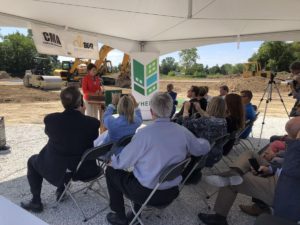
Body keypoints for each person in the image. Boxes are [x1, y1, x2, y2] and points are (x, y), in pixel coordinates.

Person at [105, 92, 210, 225]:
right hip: (172, 191)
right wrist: (202, 141)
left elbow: (122, 162)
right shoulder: (183, 132)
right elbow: (203, 148)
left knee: (111, 171)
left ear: (151, 111)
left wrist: (112, 162)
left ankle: (120, 216)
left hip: (146, 194)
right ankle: (136, 212)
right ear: (172, 110)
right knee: (140, 173)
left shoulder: (144, 134)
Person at [197, 117, 300, 225]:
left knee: (229, 181)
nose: (287, 138)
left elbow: (291, 170)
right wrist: (270, 168)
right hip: (280, 175)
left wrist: (296, 142)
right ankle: (236, 171)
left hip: (284, 189)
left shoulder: (297, 147)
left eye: (290, 136)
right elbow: (289, 164)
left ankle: (219, 218)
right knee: (249, 154)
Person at [20, 87, 101, 212]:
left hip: (59, 169)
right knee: (70, 154)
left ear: (62, 103)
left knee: (32, 161)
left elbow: (50, 133)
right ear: (81, 103)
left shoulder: (51, 120)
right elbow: (90, 134)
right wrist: (82, 115)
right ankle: (61, 189)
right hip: (85, 170)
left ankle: (36, 201)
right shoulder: (93, 123)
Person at [182, 97, 227, 167]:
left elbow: (185, 123)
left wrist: (185, 108)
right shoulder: (223, 121)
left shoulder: (205, 121)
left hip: (204, 157)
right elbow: (209, 119)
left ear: (211, 106)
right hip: (216, 154)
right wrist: (199, 109)